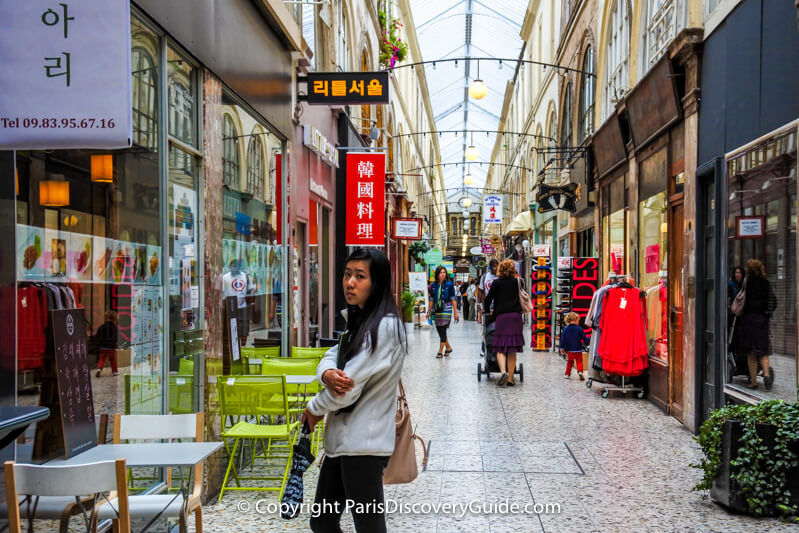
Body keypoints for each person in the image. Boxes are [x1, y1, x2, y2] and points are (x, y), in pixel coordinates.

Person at [301, 248, 407, 533]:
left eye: (360, 276)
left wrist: (313, 409)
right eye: (348, 274)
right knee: (322, 521)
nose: (350, 282)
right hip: (343, 444)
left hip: (364, 445)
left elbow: (347, 388)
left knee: (368, 526)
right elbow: (333, 355)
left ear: (378, 283)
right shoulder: (359, 321)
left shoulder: (384, 327)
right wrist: (325, 373)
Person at [483, 260, 524, 387]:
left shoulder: (496, 283)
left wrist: (487, 310)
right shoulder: (519, 281)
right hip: (516, 317)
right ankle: (511, 378)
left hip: (501, 317)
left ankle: (502, 372)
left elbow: (487, 299)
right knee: (512, 349)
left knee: (500, 348)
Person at [740, 259, 776, 390]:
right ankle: (766, 374)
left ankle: (754, 381)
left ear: (749, 270)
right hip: (762, 320)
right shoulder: (766, 283)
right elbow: (773, 301)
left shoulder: (747, 282)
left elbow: (743, 300)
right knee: (763, 350)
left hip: (749, 319)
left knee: (751, 352)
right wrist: (766, 313)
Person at [427, 266, 458, 358]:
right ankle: (448, 348)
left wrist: (455, 312)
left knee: (443, 328)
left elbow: (453, 299)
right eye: (441, 272)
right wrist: (428, 311)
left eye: (444, 272)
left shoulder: (449, 284)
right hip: (437, 309)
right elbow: (431, 299)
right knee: (439, 329)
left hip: (446, 308)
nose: (443, 274)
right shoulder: (433, 285)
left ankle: (440, 351)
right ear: (437, 274)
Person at [560, 312, 588, 380]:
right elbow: (584, 338)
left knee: (570, 362)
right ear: (575, 320)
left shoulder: (565, 329)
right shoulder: (579, 329)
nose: (578, 322)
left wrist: (562, 348)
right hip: (578, 349)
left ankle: (567, 374)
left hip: (570, 350)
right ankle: (580, 371)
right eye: (578, 320)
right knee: (579, 361)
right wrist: (588, 342)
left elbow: (563, 339)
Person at [95, 310, 120, 377]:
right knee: (112, 360)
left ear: (106, 318)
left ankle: (99, 368)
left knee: (102, 359)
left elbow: (97, 335)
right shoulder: (115, 327)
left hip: (102, 346)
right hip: (111, 347)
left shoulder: (102, 326)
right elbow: (116, 337)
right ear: (114, 318)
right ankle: (114, 371)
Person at [477, 259, 499, 325]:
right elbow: (480, 290)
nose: (495, 269)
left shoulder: (501, 276)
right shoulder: (484, 276)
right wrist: (479, 304)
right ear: (490, 266)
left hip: (499, 305)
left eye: (496, 267)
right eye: (493, 267)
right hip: (487, 304)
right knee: (488, 324)